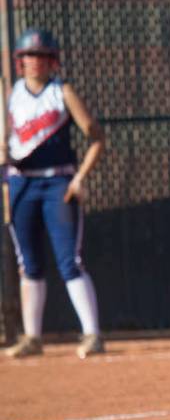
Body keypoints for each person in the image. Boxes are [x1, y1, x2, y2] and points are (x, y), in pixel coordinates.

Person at [3, 28, 105, 359]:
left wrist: (80, 178)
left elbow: (96, 137)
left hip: (58, 182)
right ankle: (33, 337)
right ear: (20, 62)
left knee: (69, 260)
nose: (35, 62)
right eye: (29, 56)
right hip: (22, 182)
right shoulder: (13, 94)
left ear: (52, 61)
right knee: (28, 262)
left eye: (41, 56)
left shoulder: (62, 92)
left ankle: (92, 334)